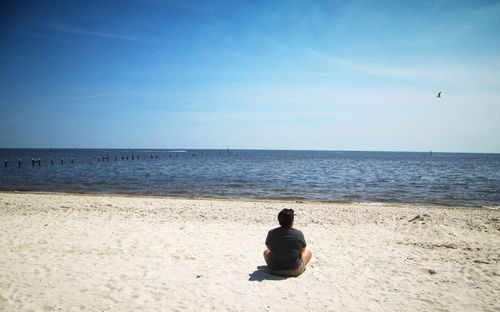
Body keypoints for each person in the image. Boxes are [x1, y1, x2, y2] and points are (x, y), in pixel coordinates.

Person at [263, 208, 312, 276]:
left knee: (265, 252)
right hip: (294, 270)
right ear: (292, 221)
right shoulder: (298, 233)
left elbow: (268, 247)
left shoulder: (271, 232)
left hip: (274, 269)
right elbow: (302, 250)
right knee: (308, 252)